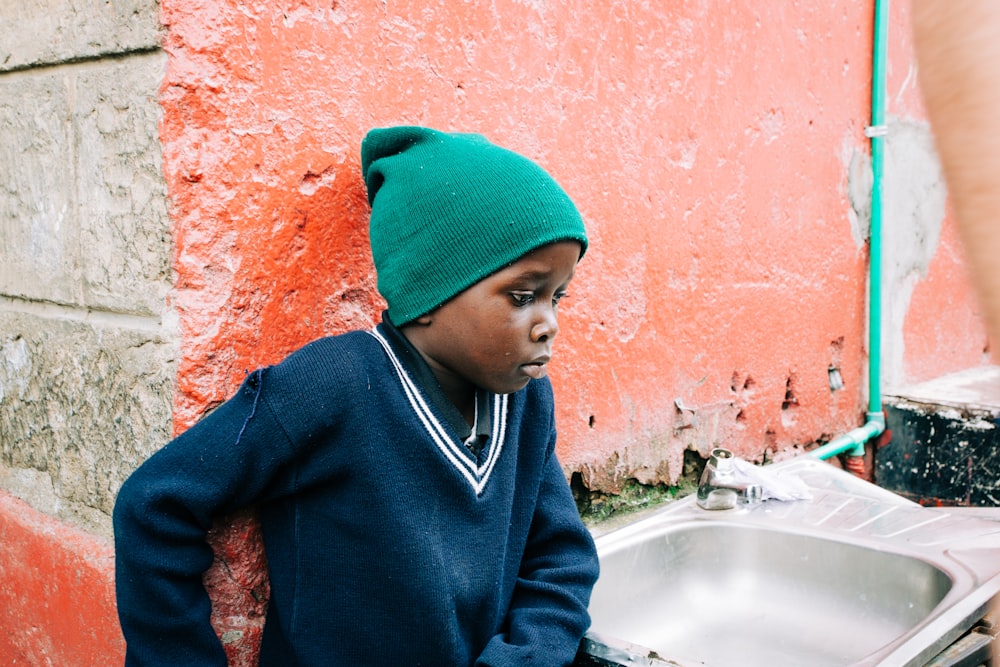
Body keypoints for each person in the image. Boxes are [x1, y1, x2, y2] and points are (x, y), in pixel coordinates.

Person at [113, 126, 601, 666]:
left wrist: (524, 657)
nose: (548, 324)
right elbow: (154, 504)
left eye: (558, 297)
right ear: (428, 292)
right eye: (523, 296)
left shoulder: (527, 402)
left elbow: (561, 558)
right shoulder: (330, 385)